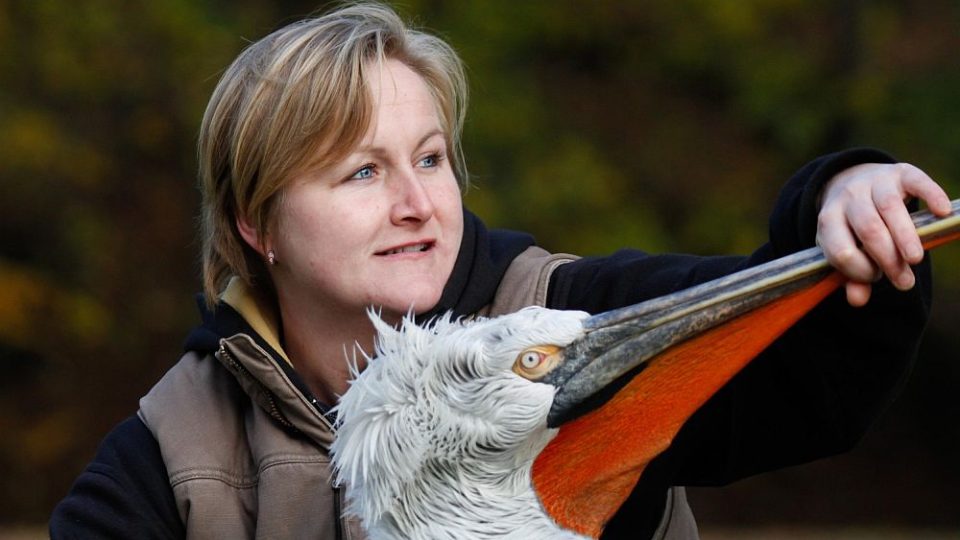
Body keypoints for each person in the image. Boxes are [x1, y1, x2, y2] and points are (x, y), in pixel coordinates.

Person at [50, 2, 952, 539]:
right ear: (257, 223)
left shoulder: (564, 320)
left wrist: (842, 201)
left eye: (432, 158)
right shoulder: (179, 449)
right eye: (362, 171)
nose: (418, 202)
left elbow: (810, 372)